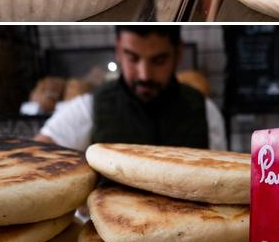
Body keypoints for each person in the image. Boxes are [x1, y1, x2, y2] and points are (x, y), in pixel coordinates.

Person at [35, 25, 226, 151]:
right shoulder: (89, 108)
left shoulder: (206, 112)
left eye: (159, 60)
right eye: (133, 58)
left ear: (178, 53)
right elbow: (38, 153)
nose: (144, 75)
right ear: (118, 50)